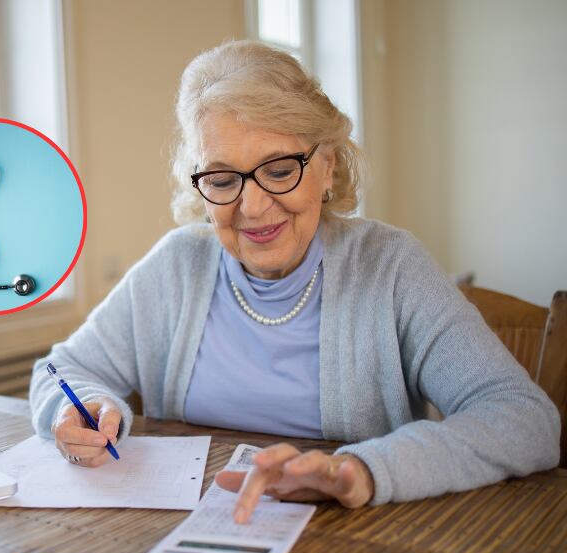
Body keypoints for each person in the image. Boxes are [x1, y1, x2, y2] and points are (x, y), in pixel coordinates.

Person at [29, 40, 560, 522]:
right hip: (193, 538)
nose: (253, 206)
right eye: (221, 179)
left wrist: (362, 471)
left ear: (327, 167)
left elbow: (525, 420)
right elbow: (65, 369)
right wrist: (82, 410)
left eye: (280, 170)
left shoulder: (391, 265)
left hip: (360, 538)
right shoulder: (177, 264)